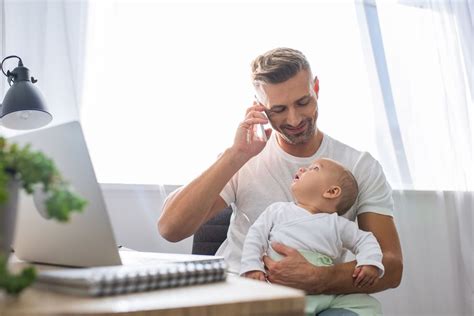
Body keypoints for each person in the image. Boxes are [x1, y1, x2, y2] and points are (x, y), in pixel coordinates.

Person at [158, 47, 403, 315]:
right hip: (244, 294)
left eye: (302, 102)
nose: (294, 119)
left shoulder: (359, 166)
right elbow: (171, 228)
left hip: (318, 299)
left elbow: (390, 267)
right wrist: (234, 155)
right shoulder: (243, 158)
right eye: (278, 109)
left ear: (316, 88)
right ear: (259, 108)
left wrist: (319, 278)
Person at [241, 157, 384, 316]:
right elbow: (255, 237)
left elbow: (365, 239)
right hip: (279, 290)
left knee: (369, 305)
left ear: (331, 191)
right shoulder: (277, 210)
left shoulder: (336, 223)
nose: (302, 169)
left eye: (314, 168)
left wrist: (370, 262)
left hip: (323, 295)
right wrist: (252, 267)